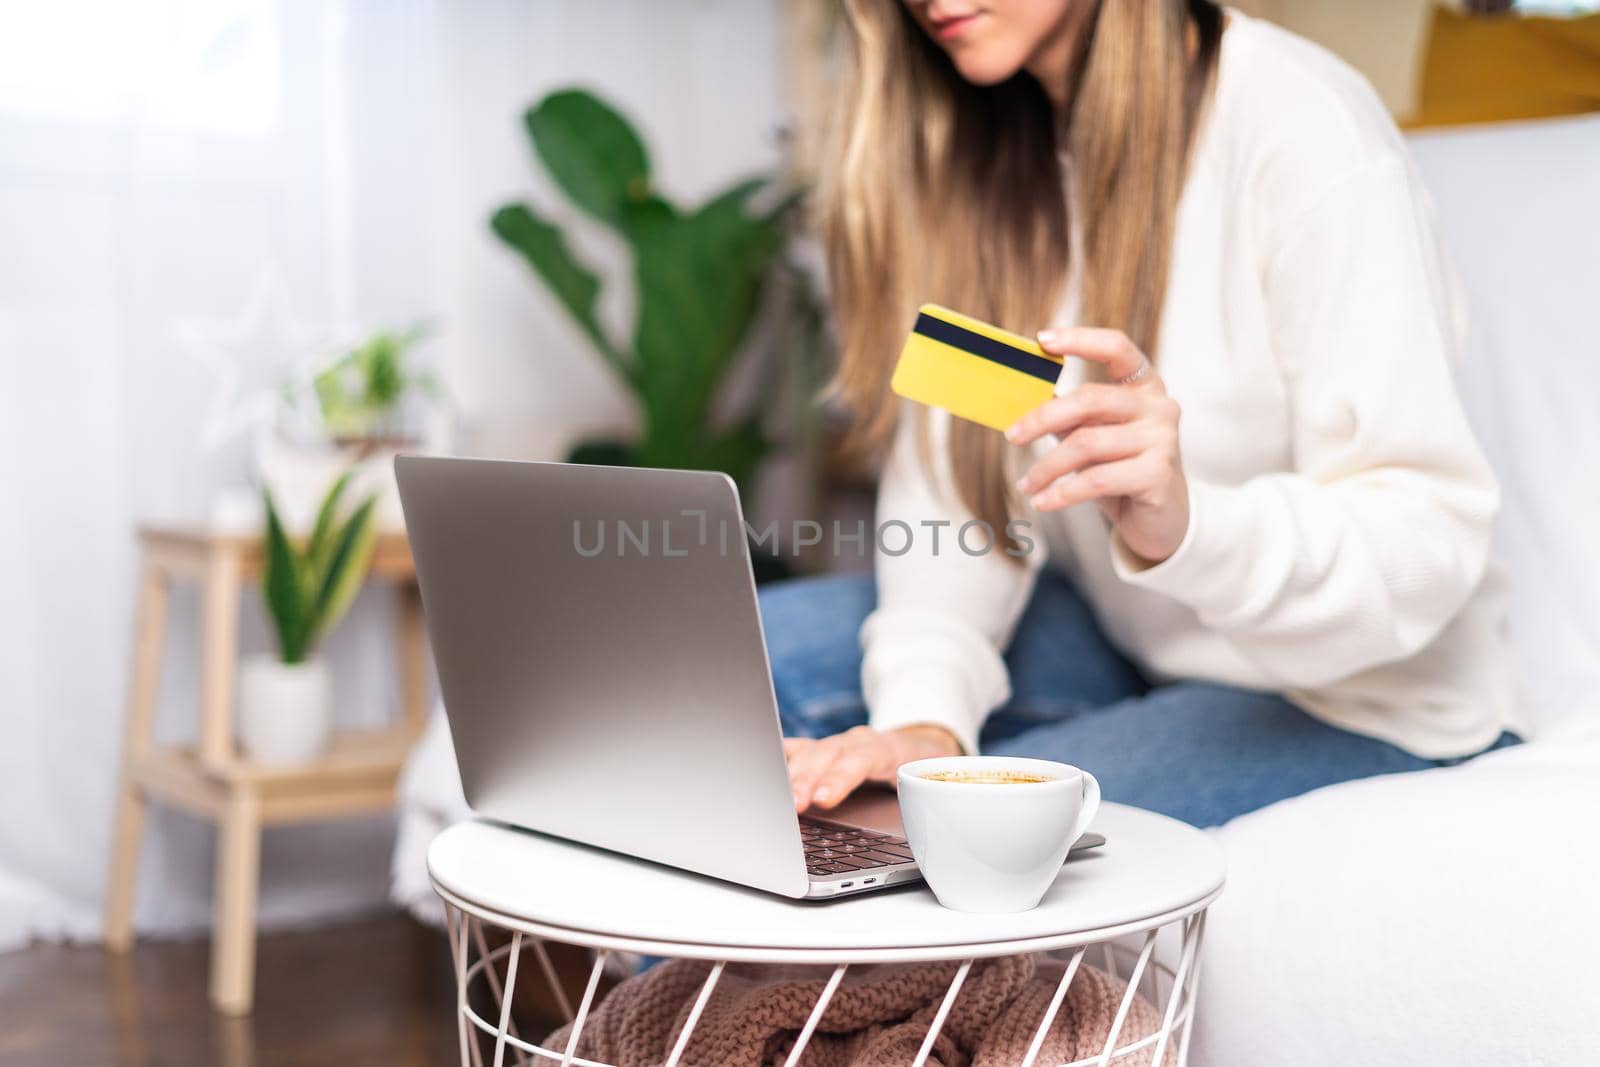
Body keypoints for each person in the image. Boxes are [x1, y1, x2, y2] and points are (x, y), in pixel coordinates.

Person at [766, 0, 1521, 828]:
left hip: (1365, 699)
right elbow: (958, 494)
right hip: (1129, 648)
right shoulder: (983, 144)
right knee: (726, 673)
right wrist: (923, 718)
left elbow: (1427, 541)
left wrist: (1190, 529)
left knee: (940, 832)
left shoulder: (1302, 125)